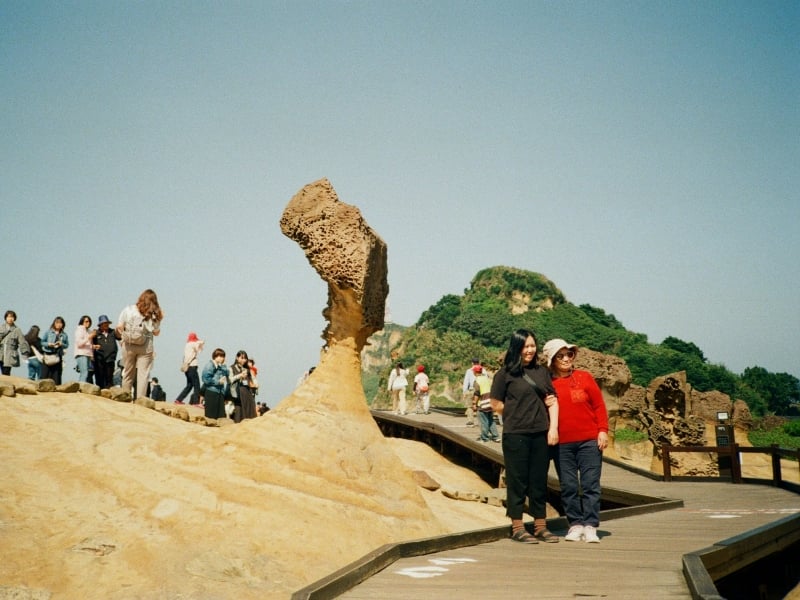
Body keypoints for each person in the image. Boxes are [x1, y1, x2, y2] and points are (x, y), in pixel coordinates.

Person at [489, 328, 559, 544]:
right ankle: (517, 526)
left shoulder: (541, 372)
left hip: (539, 432)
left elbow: (551, 398)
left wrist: (552, 428)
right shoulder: (505, 374)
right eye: (525, 346)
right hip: (516, 434)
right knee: (517, 481)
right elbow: (495, 404)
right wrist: (515, 412)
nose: (529, 350)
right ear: (516, 348)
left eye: (532, 346)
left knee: (538, 481)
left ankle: (540, 526)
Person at [543, 338, 609, 544]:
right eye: (560, 355)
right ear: (552, 360)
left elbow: (599, 406)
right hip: (562, 444)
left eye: (569, 354)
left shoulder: (585, 377)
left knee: (590, 485)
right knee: (569, 486)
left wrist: (603, 431)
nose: (565, 359)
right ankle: (575, 524)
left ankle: (590, 526)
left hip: (589, 441)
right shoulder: (546, 383)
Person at [116, 289, 163, 400]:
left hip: (128, 345)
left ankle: (125, 398)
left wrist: (124, 339)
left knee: (127, 373)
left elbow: (119, 327)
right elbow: (156, 332)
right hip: (145, 347)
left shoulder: (128, 309)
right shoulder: (154, 313)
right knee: (143, 375)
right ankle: (140, 402)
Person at [473, 364, 500, 443]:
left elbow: (477, 393)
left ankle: (484, 438)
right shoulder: (487, 379)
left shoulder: (477, 381)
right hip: (490, 402)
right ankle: (496, 436)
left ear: (475, 372)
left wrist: (474, 403)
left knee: (483, 421)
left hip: (482, 403)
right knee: (491, 420)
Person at [175, 332, 204, 405]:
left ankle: (179, 399)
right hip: (192, 366)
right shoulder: (193, 344)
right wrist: (201, 342)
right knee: (197, 385)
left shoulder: (187, 345)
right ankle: (196, 402)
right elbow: (200, 347)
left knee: (189, 385)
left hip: (187, 367)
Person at [0, 310, 31, 376]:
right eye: (8, 317)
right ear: (5, 318)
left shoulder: (17, 330)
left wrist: (25, 355)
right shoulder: (1, 328)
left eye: (12, 317)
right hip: (1, 353)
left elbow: (22, 342)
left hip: (10, 355)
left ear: (14, 318)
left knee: (6, 373)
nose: (10, 319)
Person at [229, 350, 257, 422]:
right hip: (237, 393)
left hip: (247, 393)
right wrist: (239, 376)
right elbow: (230, 380)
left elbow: (252, 380)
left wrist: (255, 384)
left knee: (249, 412)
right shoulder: (231, 368)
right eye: (242, 358)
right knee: (239, 412)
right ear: (237, 358)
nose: (243, 360)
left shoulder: (247, 369)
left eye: (245, 358)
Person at [201, 348, 229, 420]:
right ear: (216, 356)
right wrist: (218, 382)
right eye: (221, 356)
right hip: (211, 392)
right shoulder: (210, 365)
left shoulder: (220, 366)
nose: (222, 358)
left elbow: (227, 374)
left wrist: (224, 366)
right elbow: (205, 379)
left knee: (220, 416)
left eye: (223, 356)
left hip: (219, 392)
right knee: (211, 416)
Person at [93, 315, 119, 389]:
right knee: (100, 376)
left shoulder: (112, 332)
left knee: (109, 376)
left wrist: (119, 330)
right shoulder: (96, 333)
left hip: (111, 357)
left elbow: (120, 337)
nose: (106, 325)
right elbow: (90, 344)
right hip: (99, 358)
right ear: (100, 325)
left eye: (107, 323)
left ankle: (109, 390)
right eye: (104, 323)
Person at [40, 316, 69, 384]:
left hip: (58, 356)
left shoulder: (64, 335)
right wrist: (48, 344)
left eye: (60, 323)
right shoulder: (48, 332)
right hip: (48, 355)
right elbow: (42, 342)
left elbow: (67, 345)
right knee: (45, 375)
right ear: (54, 323)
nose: (59, 324)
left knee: (56, 377)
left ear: (63, 324)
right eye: (57, 323)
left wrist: (61, 344)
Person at [73, 315, 96, 383]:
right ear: (82, 322)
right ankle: (80, 388)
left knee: (86, 373)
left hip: (87, 354)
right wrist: (89, 337)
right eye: (86, 321)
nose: (88, 323)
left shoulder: (88, 331)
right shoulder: (79, 330)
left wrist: (93, 346)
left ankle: (82, 387)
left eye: (89, 321)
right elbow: (79, 344)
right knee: (84, 372)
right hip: (81, 354)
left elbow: (87, 345)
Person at [462, 357, 480, 426]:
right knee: (479, 405)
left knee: (469, 406)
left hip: (471, 390)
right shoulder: (483, 370)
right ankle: (480, 421)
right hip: (480, 389)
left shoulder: (469, 370)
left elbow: (466, 382)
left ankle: (470, 421)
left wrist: (464, 392)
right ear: (479, 362)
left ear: (472, 363)